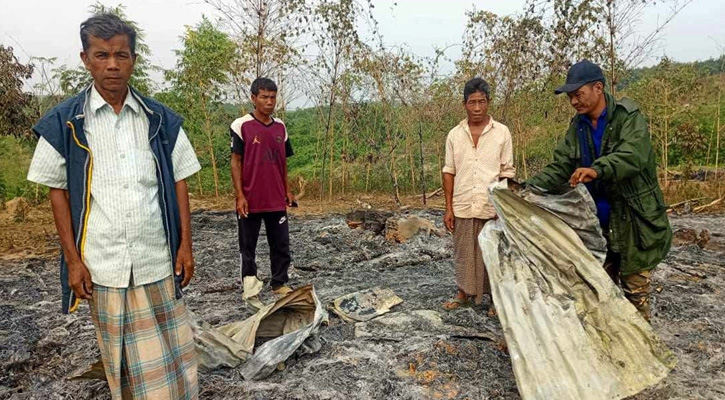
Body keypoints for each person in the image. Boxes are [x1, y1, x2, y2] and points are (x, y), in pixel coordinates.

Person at [26, 13, 200, 399]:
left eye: (121, 55)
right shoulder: (66, 123)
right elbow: (57, 190)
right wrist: (73, 260)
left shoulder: (160, 120)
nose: (112, 65)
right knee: (121, 361)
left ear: (133, 59)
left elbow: (180, 180)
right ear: (85, 58)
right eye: (102, 55)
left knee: (177, 355)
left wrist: (186, 245)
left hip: (157, 256)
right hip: (103, 263)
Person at [527, 60, 672, 321]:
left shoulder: (628, 118)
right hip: (598, 225)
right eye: (570, 96)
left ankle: (641, 354)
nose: (574, 101)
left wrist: (597, 169)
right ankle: (608, 349)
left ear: (598, 88)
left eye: (578, 94)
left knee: (635, 292)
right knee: (596, 290)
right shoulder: (578, 126)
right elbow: (561, 164)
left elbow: (633, 156)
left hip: (633, 220)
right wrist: (527, 190)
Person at [442, 77, 516, 311]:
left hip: (491, 205)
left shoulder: (502, 133)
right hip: (463, 202)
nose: (477, 108)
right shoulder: (455, 134)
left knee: (493, 251)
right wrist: (448, 208)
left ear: (488, 102)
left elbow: (507, 172)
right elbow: (449, 171)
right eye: (472, 102)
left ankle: (496, 298)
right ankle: (463, 293)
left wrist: (502, 206)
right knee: (464, 250)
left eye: (481, 102)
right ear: (464, 104)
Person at [230, 78, 295, 303]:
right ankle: (250, 285)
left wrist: (287, 189)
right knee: (248, 245)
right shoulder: (241, 126)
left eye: (273, 97)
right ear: (253, 98)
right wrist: (240, 195)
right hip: (250, 198)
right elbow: (236, 161)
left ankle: (279, 283)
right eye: (264, 97)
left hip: (276, 197)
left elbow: (283, 162)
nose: (269, 102)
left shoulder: (280, 127)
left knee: (281, 243)